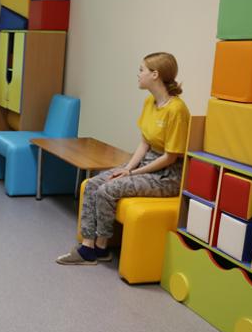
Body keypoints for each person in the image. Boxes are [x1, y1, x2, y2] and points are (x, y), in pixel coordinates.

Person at [56, 52, 190, 266]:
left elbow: (169, 157)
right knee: (92, 184)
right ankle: (88, 247)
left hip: (167, 175)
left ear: (155, 75)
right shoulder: (150, 101)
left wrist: (132, 173)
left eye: (141, 70)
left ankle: (101, 248)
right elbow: (144, 143)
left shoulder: (177, 110)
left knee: (108, 189)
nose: (138, 74)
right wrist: (127, 168)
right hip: (146, 163)